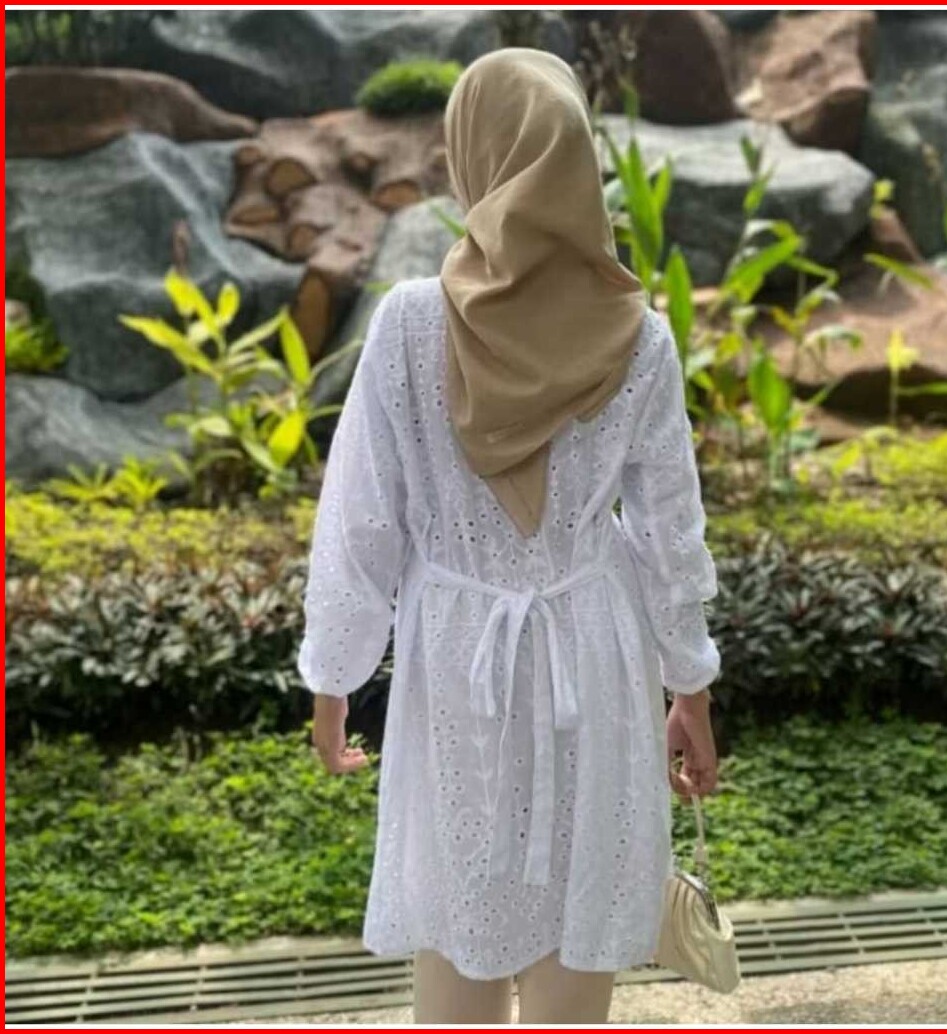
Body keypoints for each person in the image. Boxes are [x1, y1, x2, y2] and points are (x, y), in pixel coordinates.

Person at [298, 47, 721, 1025]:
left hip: (456, 657)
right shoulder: (640, 337)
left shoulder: (410, 326)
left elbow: (362, 519)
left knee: (459, 920)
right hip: (595, 652)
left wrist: (333, 681)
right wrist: (688, 686)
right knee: (582, 914)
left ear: (473, 157)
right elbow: (670, 533)